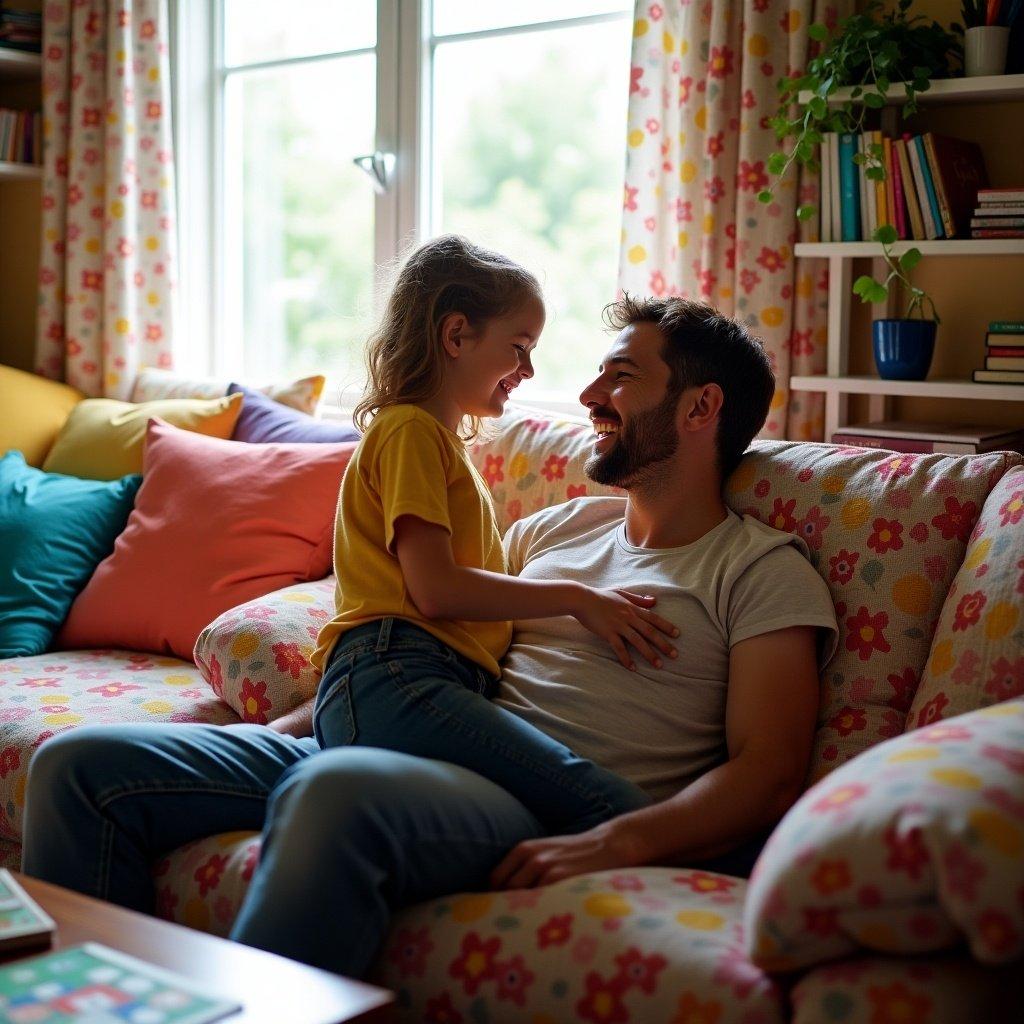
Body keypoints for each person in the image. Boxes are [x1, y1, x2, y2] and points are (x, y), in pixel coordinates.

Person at [22, 294, 837, 981]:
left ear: (701, 408)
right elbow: (436, 647)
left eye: (621, 377)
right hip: (393, 739)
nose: (588, 393)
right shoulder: (554, 534)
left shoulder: (761, 570)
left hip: (525, 797)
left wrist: (615, 839)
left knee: (337, 790)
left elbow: (766, 774)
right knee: (78, 766)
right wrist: (275, 734)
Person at [310, 235, 678, 834]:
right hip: (400, 675)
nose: (528, 370)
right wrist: (579, 598)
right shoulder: (410, 432)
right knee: (605, 803)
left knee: (543, 812)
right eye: (519, 347)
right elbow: (437, 592)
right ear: (456, 336)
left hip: (413, 681)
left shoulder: (435, 442)